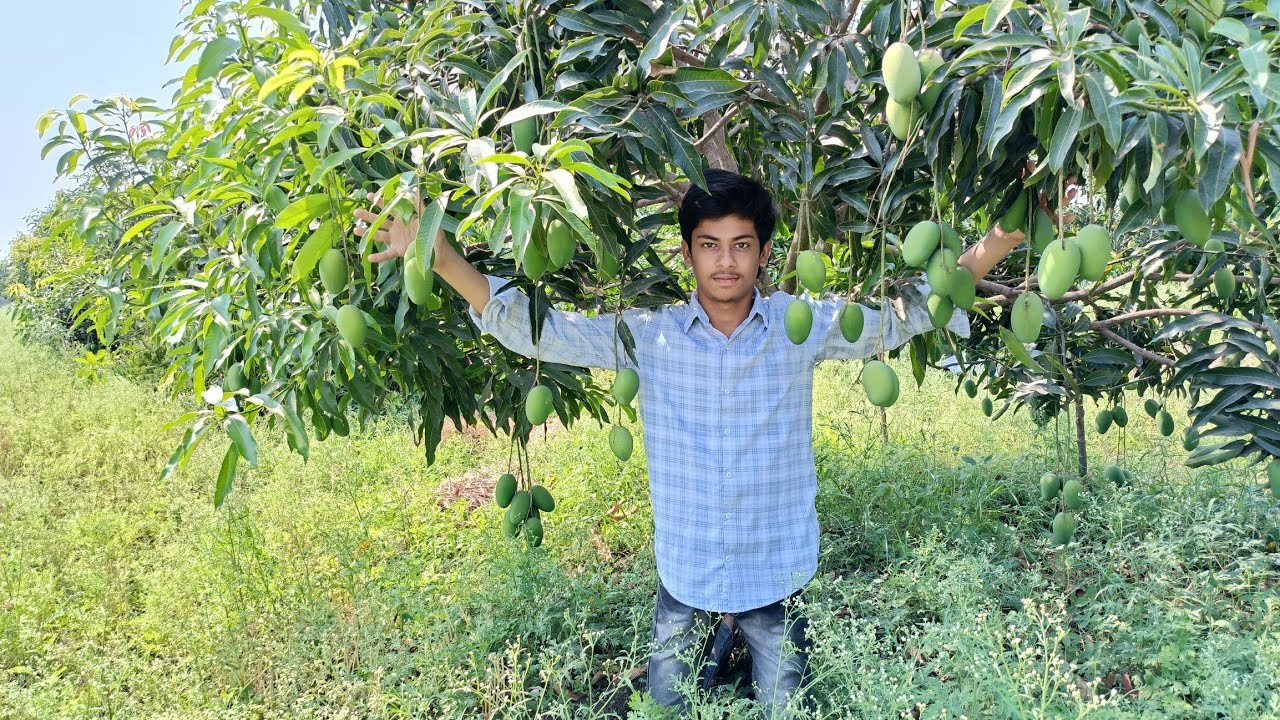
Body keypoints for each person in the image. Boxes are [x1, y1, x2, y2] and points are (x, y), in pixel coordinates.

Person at [355, 169, 1027, 717]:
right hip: (688, 572)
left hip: (777, 572)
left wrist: (1002, 235)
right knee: (668, 709)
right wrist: (439, 257)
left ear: (763, 252)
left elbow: (906, 316)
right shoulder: (651, 335)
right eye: (710, 244)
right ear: (688, 253)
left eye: (741, 243)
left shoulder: (802, 326)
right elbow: (542, 331)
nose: (726, 260)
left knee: (787, 711)